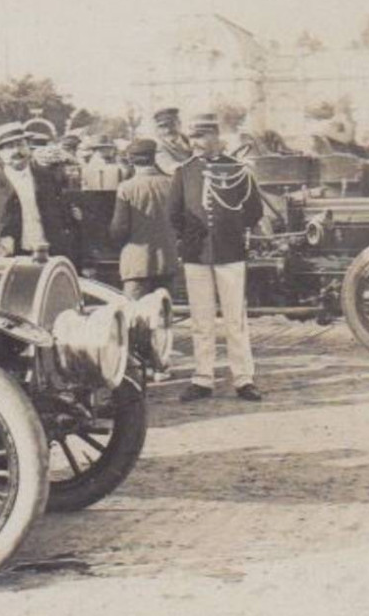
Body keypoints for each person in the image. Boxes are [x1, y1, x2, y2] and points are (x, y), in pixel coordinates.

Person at [167, 114, 264, 402]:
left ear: (215, 137)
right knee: (201, 319)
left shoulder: (237, 170)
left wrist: (230, 229)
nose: (195, 143)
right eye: (193, 138)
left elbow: (253, 211)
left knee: (235, 319)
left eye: (201, 137)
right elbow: (174, 213)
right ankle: (202, 378)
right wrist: (191, 240)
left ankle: (244, 379)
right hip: (197, 255)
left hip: (230, 252)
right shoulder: (184, 172)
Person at [0, 120, 76, 258]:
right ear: (0, 153)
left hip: (49, 252)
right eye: (10, 147)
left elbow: (64, 217)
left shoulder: (47, 177)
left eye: (20, 144)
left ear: (28, 147)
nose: (17, 151)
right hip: (12, 256)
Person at [109, 138, 177, 300]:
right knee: (163, 316)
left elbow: (119, 229)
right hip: (167, 261)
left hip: (136, 264)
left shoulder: (126, 188)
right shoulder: (172, 184)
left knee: (134, 317)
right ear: (153, 158)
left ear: (131, 161)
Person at [151, 107, 193, 175]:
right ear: (157, 130)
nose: (168, 130)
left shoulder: (190, 141)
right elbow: (172, 168)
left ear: (179, 124)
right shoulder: (158, 148)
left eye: (172, 125)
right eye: (163, 127)